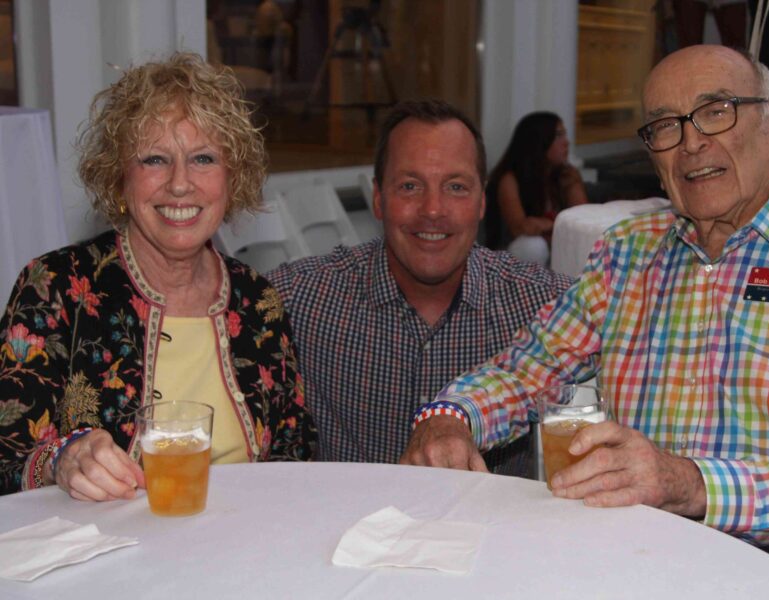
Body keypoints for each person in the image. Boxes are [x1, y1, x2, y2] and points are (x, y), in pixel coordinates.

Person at [401, 46, 769, 600]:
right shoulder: (627, 253)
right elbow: (530, 369)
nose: (690, 142)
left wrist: (692, 486)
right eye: (665, 125)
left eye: (717, 111)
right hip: (632, 544)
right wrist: (451, 415)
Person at [0, 52, 316, 500]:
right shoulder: (56, 286)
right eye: (154, 159)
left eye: (203, 158)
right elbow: (3, 460)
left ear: (233, 179)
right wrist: (60, 460)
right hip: (104, 553)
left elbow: (297, 456)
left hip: (239, 546)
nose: (180, 184)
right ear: (119, 180)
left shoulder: (257, 300)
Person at [267, 99, 572, 476]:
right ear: (379, 198)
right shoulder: (300, 298)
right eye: (410, 186)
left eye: (456, 187)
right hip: (346, 531)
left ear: (482, 201)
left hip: (496, 533)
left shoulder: (548, 307)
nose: (432, 209)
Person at [484, 111, 587, 266]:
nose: (566, 142)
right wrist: (560, 226)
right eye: (558, 136)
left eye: (565, 135)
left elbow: (584, 218)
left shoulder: (566, 175)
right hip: (510, 255)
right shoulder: (510, 179)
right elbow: (521, 227)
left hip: (554, 245)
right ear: (539, 141)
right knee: (532, 246)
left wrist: (550, 225)